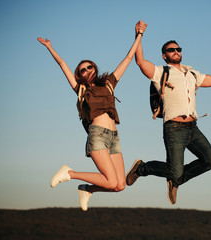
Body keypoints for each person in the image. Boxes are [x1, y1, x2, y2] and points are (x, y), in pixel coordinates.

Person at [37, 21, 147, 211]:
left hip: (114, 137)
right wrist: (50, 48)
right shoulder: (80, 90)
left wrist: (139, 34)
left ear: (94, 69)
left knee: (120, 185)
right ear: (79, 75)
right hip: (97, 135)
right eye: (82, 70)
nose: (86, 71)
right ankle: (70, 173)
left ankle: (87, 189)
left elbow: (129, 58)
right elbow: (63, 64)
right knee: (111, 181)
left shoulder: (109, 83)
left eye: (89, 67)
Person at [126, 20, 211, 205]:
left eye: (178, 49)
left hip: (193, 127)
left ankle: (176, 181)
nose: (176, 51)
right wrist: (139, 35)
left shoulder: (192, 73)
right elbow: (140, 61)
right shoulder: (161, 72)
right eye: (171, 50)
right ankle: (141, 168)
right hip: (174, 128)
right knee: (174, 170)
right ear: (164, 55)